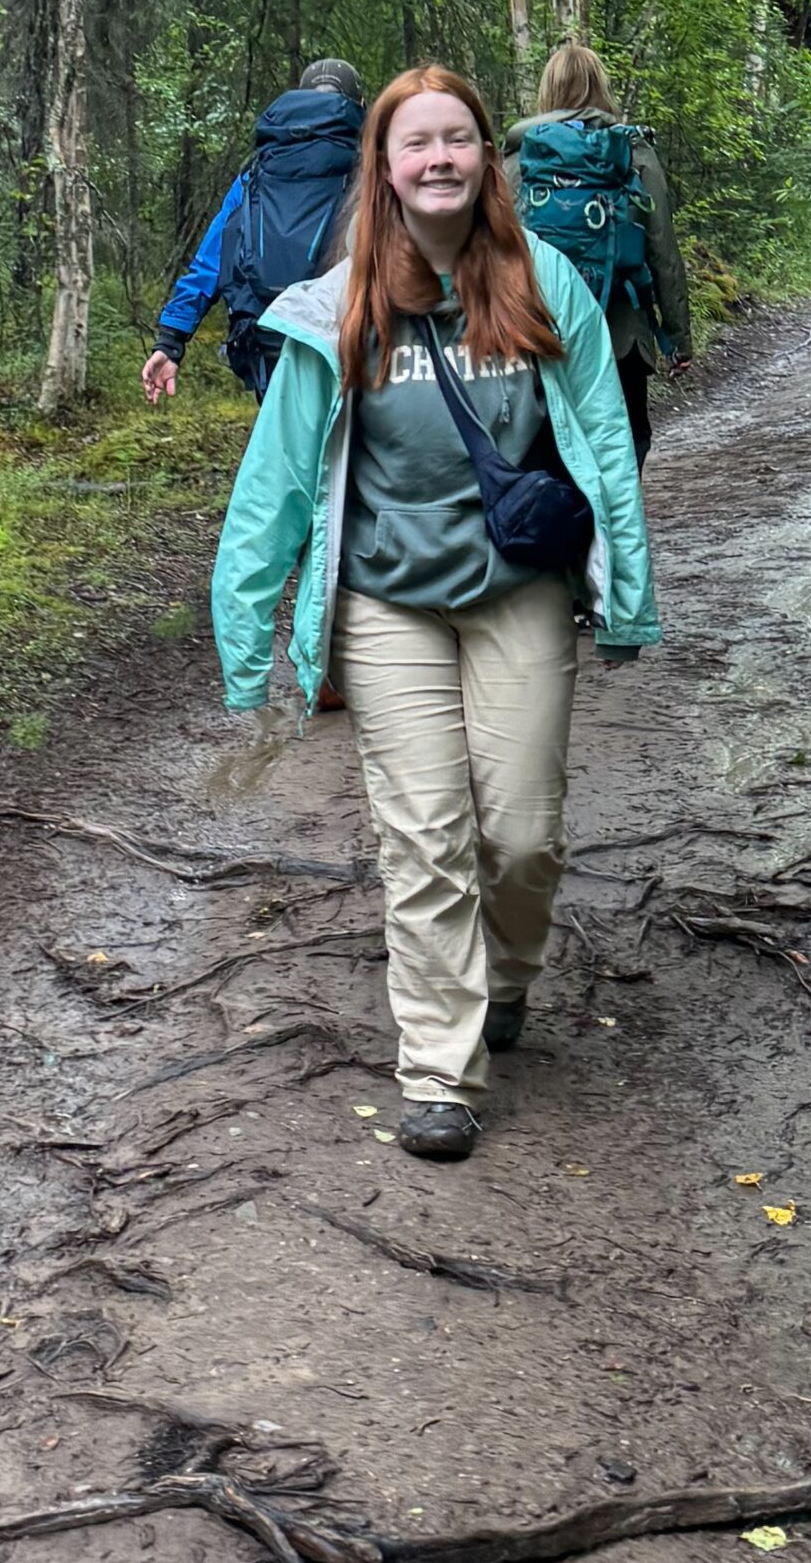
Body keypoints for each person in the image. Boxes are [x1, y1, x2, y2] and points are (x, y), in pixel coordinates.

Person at [211, 65, 659, 1162]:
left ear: (486, 158)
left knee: (521, 832)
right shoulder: (341, 304)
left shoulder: (545, 282)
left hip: (521, 590)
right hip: (385, 601)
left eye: (459, 138)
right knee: (425, 836)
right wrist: (246, 627)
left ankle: (506, 978)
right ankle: (438, 1070)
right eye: (418, 144)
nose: (441, 159)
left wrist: (629, 594)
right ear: (386, 165)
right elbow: (275, 477)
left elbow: (605, 442)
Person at [506, 42, 692, 462]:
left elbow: (490, 254)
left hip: (539, 331)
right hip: (620, 332)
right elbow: (661, 247)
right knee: (624, 447)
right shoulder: (631, 151)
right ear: (600, 87)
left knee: (547, 452)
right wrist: (677, 338)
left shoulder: (518, 158)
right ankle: (616, 526)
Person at [141, 60, 368, 402]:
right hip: (348, 340)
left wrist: (171, 341)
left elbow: (211, 260)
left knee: (285, 449)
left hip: (270, 339)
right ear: (360, 105)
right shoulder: (372, 166)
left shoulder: (258, 171)